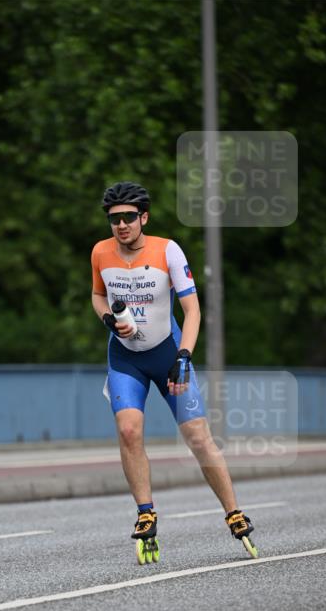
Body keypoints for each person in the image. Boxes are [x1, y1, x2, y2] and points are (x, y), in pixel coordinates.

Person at [91, 181, 256, 557]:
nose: (121, 225)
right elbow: (98, 294)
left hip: (167, 353)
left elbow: (193, 310)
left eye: (129, 217)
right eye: (114, 219)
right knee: (128, 430)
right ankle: (145, 513)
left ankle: (233, 511)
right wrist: (106, 319)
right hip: (125, 356)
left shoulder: (167, 250)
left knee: (197, 436)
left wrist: (184, 355)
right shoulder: (101, 252)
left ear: (143, 217)